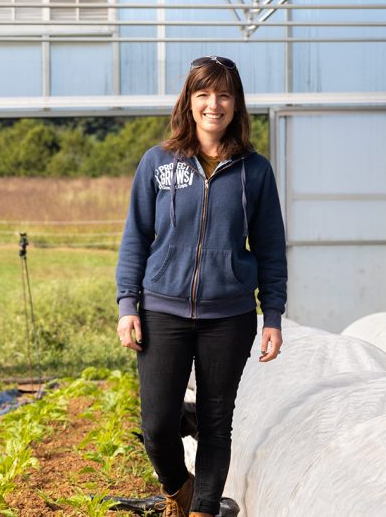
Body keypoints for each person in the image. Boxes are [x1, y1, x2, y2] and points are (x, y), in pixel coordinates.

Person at [115, 55, 287, 517]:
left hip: (228, 317)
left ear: (237, 103)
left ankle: (204, 510)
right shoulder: (158, 163)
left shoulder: (255, 171)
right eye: (204, 94)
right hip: (162, 310)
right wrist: (127, 305)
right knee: (156, 425)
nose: (215, 104)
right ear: (189, 102)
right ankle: (181, 488)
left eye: (225, 94)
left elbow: (271, 248)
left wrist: (272, 316)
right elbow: (136, 236)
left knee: (216, 422)